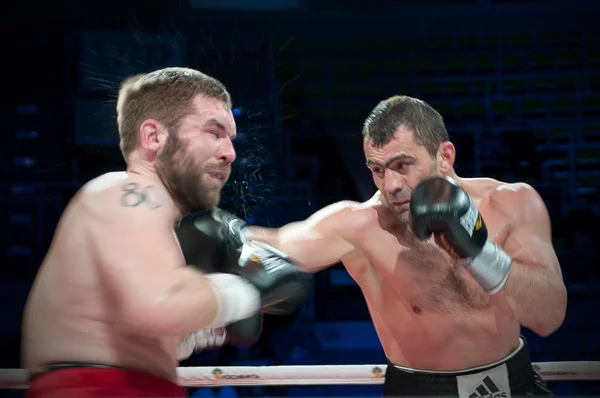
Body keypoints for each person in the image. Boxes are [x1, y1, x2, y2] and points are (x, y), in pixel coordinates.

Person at [192, 95, 568, 397]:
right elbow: (281, 244)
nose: (391, 185)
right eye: (377, 169)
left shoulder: (512, 203)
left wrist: (475, 251)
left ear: (445, 156)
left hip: (512, 387)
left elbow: (549, 317)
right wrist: (221, 233)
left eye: (403, 165)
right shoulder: (359, 225)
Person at [21, 67, 309, 398]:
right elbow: (157, 307)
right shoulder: (128, 192)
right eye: (214, 132)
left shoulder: (148, 224)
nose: (230, 152)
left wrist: (199, 328)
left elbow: (140, 326)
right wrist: (247, 290)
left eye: (231, 138)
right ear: (154, 137)